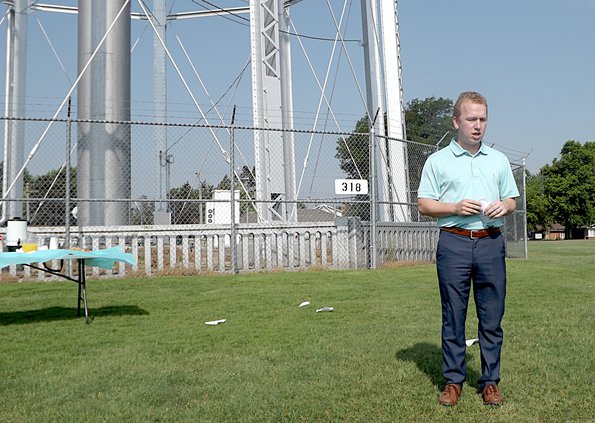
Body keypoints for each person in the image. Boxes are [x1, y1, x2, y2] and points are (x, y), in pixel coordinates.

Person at [417, 91, 519, 407]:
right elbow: (424, 204)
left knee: (491, 316)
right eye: (471, 119)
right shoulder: (438, 161)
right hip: (454, 242)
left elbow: (511, 200)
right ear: (456, 121)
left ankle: (490, 382)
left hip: (490, 243)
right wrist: (455, 207)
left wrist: (505, 207)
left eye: (482, 119)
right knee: (453, 315)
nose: (477, 126)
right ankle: (453, 381)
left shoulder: (498, 160)